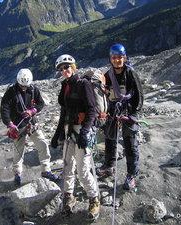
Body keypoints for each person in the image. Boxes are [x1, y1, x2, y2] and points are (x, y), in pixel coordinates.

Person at [54, 54, 100, 220]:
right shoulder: (65, 87)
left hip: (82, 130)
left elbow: (92, 110)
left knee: (82, 169)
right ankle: (68, 197)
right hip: (69, 130)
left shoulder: (83, 84)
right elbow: (64, 112)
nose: (64, 70)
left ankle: (94, 199)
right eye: (61, 69)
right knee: (67, 167)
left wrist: (85, 131)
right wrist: (57, 134)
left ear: (73, 67)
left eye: (66, 67)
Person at [96, 43, 144, 191]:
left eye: (120, 57)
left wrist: (132, 113)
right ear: (111, 58)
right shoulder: (107, 75)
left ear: (125, 57)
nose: (117, 60)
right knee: (110, 139)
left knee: (130, 144)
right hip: (113, 111)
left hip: (128, 112)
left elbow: (139, 95)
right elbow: (104, 94)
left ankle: (131, 175)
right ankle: (109, 166)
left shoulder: (130, 73)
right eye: (114, 57)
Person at [0, 68, 59, 186]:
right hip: (17, 126)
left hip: (32, 123)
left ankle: (46, 170)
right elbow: (4, 108)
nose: (23, 88)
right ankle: (17, 173)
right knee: (18, 151)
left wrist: (33, 110)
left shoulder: (33, 89)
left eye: (25, 86)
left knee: (42, 144)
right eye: (21, 85)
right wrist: (9, 124)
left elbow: (41, 103)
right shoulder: (11, 92)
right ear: (18, 81)